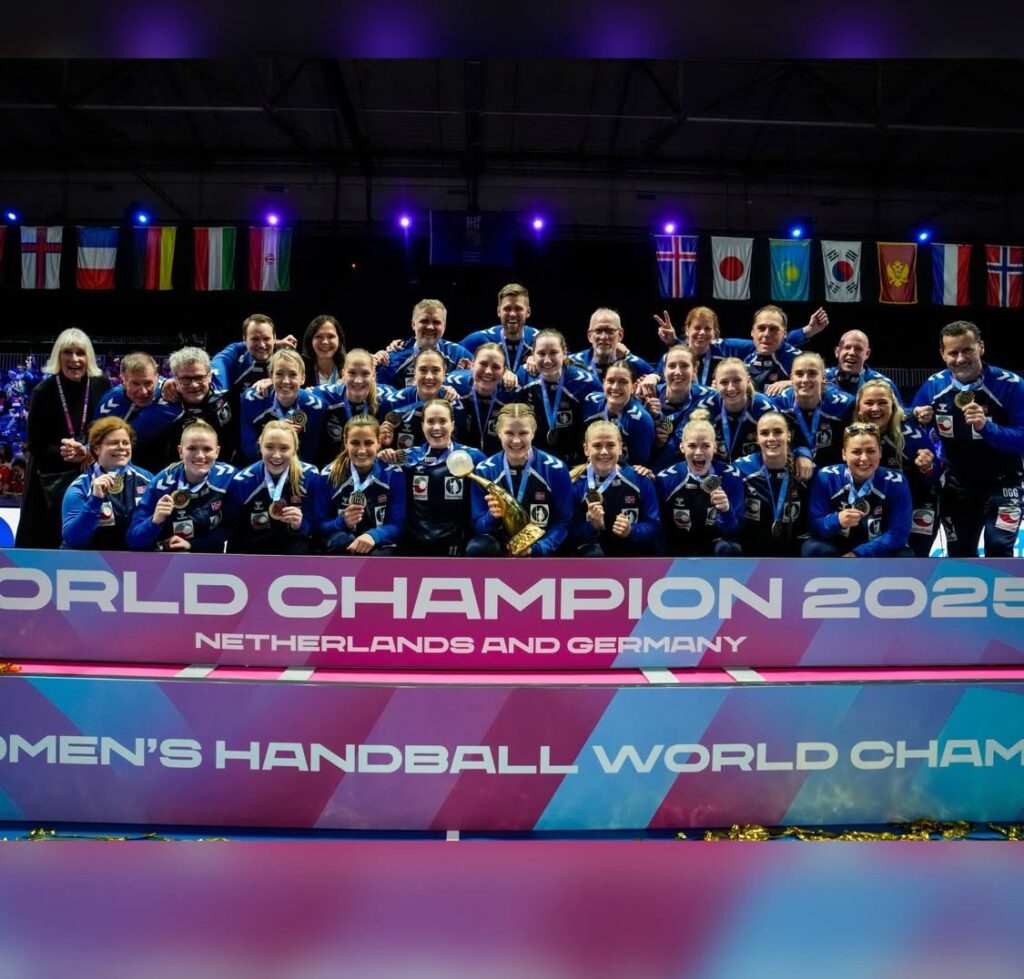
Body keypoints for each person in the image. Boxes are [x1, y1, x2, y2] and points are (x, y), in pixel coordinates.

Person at [911, 320, 1024, 557]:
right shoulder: (933, 386)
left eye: (967, 350)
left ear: (981, 347)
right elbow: (908, 426)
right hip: (956, 485)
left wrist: (986, 428)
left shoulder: (1011, 385)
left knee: (998, 545)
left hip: (1004, 482)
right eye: (953, 352)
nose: (960, 359)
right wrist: (916, 416)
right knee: (960, 553)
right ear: (942, 354)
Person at [16, 328, 112, 549]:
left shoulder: (101, 385)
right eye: (67, 352)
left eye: (80, 353)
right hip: (50, 482)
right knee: (48, 542)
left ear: (89, 356)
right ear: (57, 356)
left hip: (93, 472)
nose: (74, 359)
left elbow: (110, 429)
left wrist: (86, 450)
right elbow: (34, 444)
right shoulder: (43, 391)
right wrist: (65, 452)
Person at [466, 403, 572, 556]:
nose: (516, 441)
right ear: (499, 433)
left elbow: (563, 521)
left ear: (533, 433)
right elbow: (478, 526)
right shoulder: (484, 470)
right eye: (509, 433)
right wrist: (492, 516)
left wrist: (537, 549)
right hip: (500, 548)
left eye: (523, 433)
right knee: (478, 547)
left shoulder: (555, 469)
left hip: (540, 548)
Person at [647, 304, 825, 390]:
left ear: (715, 332)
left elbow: (776, 342)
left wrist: (807, 331)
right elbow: (686, 354)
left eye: (707, 329)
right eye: (697, 328)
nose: (766, 335)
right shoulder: (673, 357)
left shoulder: (728, 348)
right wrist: (673, 342)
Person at [855, 380, 941, 557]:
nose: (875, 409)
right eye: (869, 403)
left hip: (917, 506)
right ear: (858, 407)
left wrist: (927, 468)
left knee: (913, 558)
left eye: (882, 402)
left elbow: (935, 477)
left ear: (893, 406)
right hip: (867, 509)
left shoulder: (913, 435)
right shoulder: (849, 435)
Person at [803, 422, 913, 557]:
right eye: (856, 452)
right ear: (844, 454)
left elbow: (898, 533)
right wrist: (837, 520)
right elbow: (813, 524)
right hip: (836, 544)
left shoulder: (896, 481)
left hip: (876, 547)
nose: (864, 458)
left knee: (904, 555)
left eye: (871, 451)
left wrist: (857, 554)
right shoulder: (826, 476)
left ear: (880, 452)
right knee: (814, 548)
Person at [127, 419, 236, 552]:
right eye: (192, 448)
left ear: (217, 452)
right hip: (168, 558)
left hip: (212, 557)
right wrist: (155, 521)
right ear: (180, 451)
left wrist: (193, 545)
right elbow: (133, 540)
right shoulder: (161, 484)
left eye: (207, 449)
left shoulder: (229, 478)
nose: (200, 455)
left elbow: (234, 526)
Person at [398, 399, 485, 555]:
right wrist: (383, 454)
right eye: (430, 421)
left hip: (457, 549)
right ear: (422, 425)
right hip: (414, 548)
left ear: (452, 424)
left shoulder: (473, 457)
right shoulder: (407, 457)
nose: (436, 427)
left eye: (443, 421)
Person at [655, 408, 744, 556]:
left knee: (730, 548)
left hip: (715, 546)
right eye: (692, 446)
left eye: (705, 446)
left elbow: (734, 531)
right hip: (679, 549)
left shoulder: (731, 477)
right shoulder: (666, 480)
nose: (698, 452)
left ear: (715, 447)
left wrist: (726, 511)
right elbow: (660, 530)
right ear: (682, 448)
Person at [313, 414, 405, 555]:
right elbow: (317, 526)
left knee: (381, 554)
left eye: (368, 443)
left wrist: (373, 536)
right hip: (342, 545)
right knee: (341, 541)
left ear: (379, 442)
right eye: (355, 443)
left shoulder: (393, 474)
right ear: (345, 442)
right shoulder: (327, 476)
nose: (362, 450)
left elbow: (396, 525)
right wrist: (342, 522)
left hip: (378, 545)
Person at [131, 347, 238, 467]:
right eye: (186, 379)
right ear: (175, 380)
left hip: (226, 471)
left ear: (209, 376)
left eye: (199, 378)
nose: (194, 385)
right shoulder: (162, 411)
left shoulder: (221, 384)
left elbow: (238, 347)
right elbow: (127, 437)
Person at [226, 420, 319, 554]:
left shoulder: (310, 476)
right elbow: (233, 531)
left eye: (284, 448)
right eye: (269, 447)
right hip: (255, 551)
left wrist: (300, 524)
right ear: (260, 447)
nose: (276, 455)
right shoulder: (242, 482)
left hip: (294, 549)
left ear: (295, 449)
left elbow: (317, 524)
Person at [569, 421, 659, 556]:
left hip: (633, 559)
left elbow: (653, 523)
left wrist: (631, 530)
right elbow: (569, 531)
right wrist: (593, 526)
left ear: (620, 448)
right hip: (592, 562)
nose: (604, 452)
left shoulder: (640, 479)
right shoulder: (574, 484)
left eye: (611, 445)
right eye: (597, 446)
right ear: (586, 449)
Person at [61, 418, 153, 550]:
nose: (121, 447)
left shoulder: (147, 480)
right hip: (91, 558)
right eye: (114, 443)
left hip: (135, 557)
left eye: (126, 443)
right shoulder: (81, 487)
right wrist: (95, 500)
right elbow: (73, 539)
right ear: (97, 448)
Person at [516, 329, 602, 466]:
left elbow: (601, 424)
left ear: (564, 352)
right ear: (532, 354)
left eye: (553, 353)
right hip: (536, 462)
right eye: (541, 353)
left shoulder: (587, 382)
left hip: (577, 463)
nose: (547, 360)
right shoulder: (523, 376)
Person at [733, 412, 809, 556]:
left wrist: (804, 453)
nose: (771, 438)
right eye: (764, 433)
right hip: (752, 547)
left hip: (793, 545)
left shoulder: (804, 468)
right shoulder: (741, 468)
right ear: (757, 439)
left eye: (778, 432)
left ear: (788, 435)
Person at [770, 351, 854, 475]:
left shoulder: (843, 404)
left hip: (832, 473)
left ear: (823, 378)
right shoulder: (777, 404)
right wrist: (799, 451)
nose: (805, 380)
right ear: (791, 378)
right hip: (793, 473)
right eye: (799, 374)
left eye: (812, 374)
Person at [239, 349, 325, 464]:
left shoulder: (315, 406)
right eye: (279, 374)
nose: (285, 381)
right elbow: (249, 451)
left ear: (303, 378)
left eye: (293, 374)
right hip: (260, 465)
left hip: (296, 467)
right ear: (271, 376)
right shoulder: (252, 399)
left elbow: (309, 454)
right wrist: (275, 433)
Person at [314, 348, 392, 468]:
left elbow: (415, 398)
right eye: (352, 373)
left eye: (365, 373)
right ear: (343, 374)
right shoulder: (325, 395)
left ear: (373, 375)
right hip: (332, 470)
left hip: (372, 470)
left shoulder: (388, 397)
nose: (358, 380)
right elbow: (299, 401)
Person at [644, 345, 715, 472]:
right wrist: (652, 441)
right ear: (664, 370)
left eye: (684, 366)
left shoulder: (709, 396)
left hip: (696, 472)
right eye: (672, 366)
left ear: (695, 369)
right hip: (655, 473)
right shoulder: (648, 396)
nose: (677, 372)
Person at [94, 352, 166, 473]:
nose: (143, 392)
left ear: (157, 378)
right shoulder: (107, 407)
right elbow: (97, 443)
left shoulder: (172, 394)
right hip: (123, 471)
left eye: (148, 383)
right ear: (123, 381)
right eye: (135, 384)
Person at [375, 299, 473, 388]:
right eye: (424, 321)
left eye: (436, 322)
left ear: (444, 326)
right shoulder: (391, 359)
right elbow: (380, 397)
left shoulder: (458, 354)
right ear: (413, 324)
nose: (430, 327)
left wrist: (466, 378)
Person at [581, 359, 655, 468]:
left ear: (633, 387)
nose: (615, 387)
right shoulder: (591, 402)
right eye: (610, 381)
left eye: (623, 382)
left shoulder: (640, 419)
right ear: (603, 383)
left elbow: (639, 467)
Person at [379, 349, 453, 455]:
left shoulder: (455, 404)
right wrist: (383, 445)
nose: (429, 377)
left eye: (435, 370)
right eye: (423, 370)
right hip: (402, 464)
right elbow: (375, 446)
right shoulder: (392, 403)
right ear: (414, 373)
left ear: (444, 373)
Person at [210, 313, 296, 401]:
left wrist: (276, 381)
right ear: (245, 339)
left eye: (266, 339)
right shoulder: (233, 354)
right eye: (255, 339)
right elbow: (215, 370)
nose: (261, 345)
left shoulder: (288, 358)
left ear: (274, 338)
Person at [450, 343, 517, 456]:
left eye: (496, 367)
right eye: (483, 364)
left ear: (504, 371)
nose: (488, 371)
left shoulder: (512, 391)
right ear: (472, 365)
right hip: (457, 457)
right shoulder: (452, 383)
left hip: (498, 459)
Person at [459, 282, 538, 375]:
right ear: (499, 311)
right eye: (507, 309)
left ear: (528, 312)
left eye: (518, 308)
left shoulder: (540, 341)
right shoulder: (480, 339)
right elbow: (451, 369)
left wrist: (541, 361)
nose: (512, 314)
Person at [570, 308, 655, 382]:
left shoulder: (635, 364)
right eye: (598, 331)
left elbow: (659, 379)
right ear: (590, 336)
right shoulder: (573, 362)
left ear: (620, 335)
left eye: (610, 331)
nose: (603, 337)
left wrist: (653, 378)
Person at [827, 330, 902, 402]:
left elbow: (900, 410)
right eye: (847, 347)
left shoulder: (885, 384)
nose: (852, 353)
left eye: (858, 349)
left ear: (867, 354)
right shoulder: (823, 378)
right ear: (837, 352)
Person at [298, 314, 346, 387]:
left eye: (331, 336)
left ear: (339, 340)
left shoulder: (349, 367)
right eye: (319, 336)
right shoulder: (299, 368)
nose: (325, 342)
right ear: (310, 340)